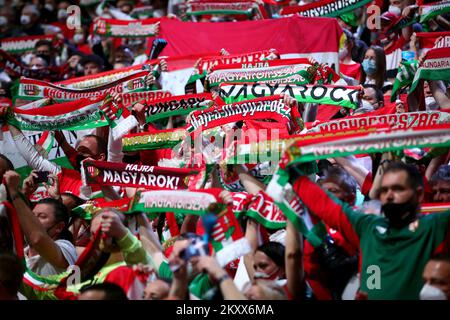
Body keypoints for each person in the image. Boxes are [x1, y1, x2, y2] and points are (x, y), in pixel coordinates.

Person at [288, 161, 450, 299]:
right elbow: (325, 203)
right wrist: (290, 172)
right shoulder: (367, 226)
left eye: (398, 189)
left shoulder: (435, 226)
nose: (389, 195)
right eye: (384, 190)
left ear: (420, 194)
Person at [3, 170, 77, 276]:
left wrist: (14, 192)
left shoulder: (66, 248)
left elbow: (37, 239)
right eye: (32, 216)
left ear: (59, 227)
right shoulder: (21, 251)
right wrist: (25, 193)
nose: (33, 220)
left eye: (42, 216)